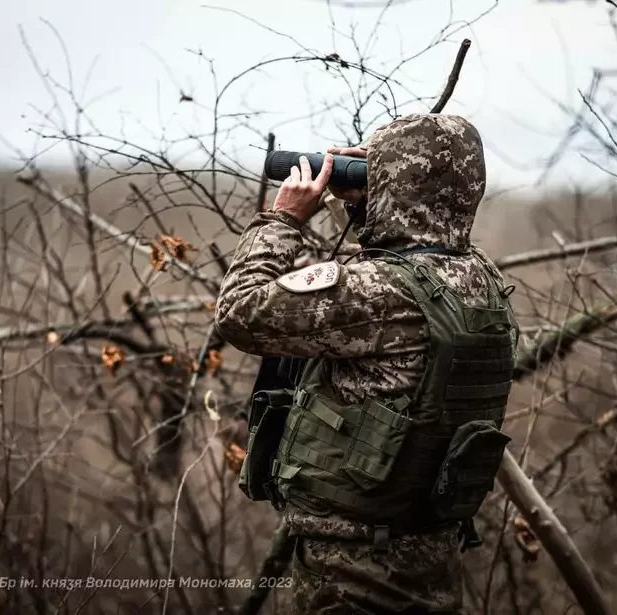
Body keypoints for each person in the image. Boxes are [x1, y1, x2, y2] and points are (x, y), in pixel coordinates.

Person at [215, 113, 518, 614]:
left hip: (354, 573)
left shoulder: (384, 293)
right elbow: (408, 253)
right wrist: (369, 205)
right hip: (431, 557)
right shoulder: (478, 278)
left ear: (395, 186)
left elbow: (240, 313)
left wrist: (282, 220)